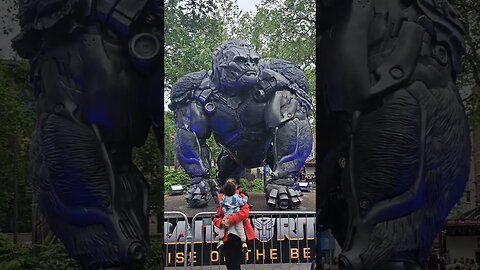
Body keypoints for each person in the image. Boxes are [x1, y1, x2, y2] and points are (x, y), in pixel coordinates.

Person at [213, 179, 256, 270]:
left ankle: (243, 243)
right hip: (227, 236)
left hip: (237, 236)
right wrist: (221, 222)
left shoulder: (240, 196)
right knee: (229, 263)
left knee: (235, 263)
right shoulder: (223, 199)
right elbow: (216, 217)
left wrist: (230, 220)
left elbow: (245, 212)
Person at [217, 179, 249, 252]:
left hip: (227, 215)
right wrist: (246, 198)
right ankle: (244, 242)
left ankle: (220, 240)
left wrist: (227, 220)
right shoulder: (237, 197)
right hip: (235, 213)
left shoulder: (223, 197)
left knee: (222, 228)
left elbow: (221, 205)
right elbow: (243, 203)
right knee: (240, 229)